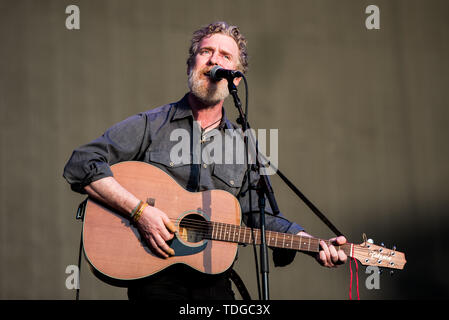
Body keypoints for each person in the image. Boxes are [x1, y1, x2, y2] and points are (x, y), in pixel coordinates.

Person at [63, 21, 347, 300]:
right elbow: (82, 163)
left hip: (213, 279)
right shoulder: (153, 124)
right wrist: (140, 212)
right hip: (155, 278)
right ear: (191, 65)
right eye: (206, 51)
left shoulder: (244, 142)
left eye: (225, 56)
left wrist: (312, 243)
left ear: (235, 78)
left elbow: (259, 214)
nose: (214, 60)